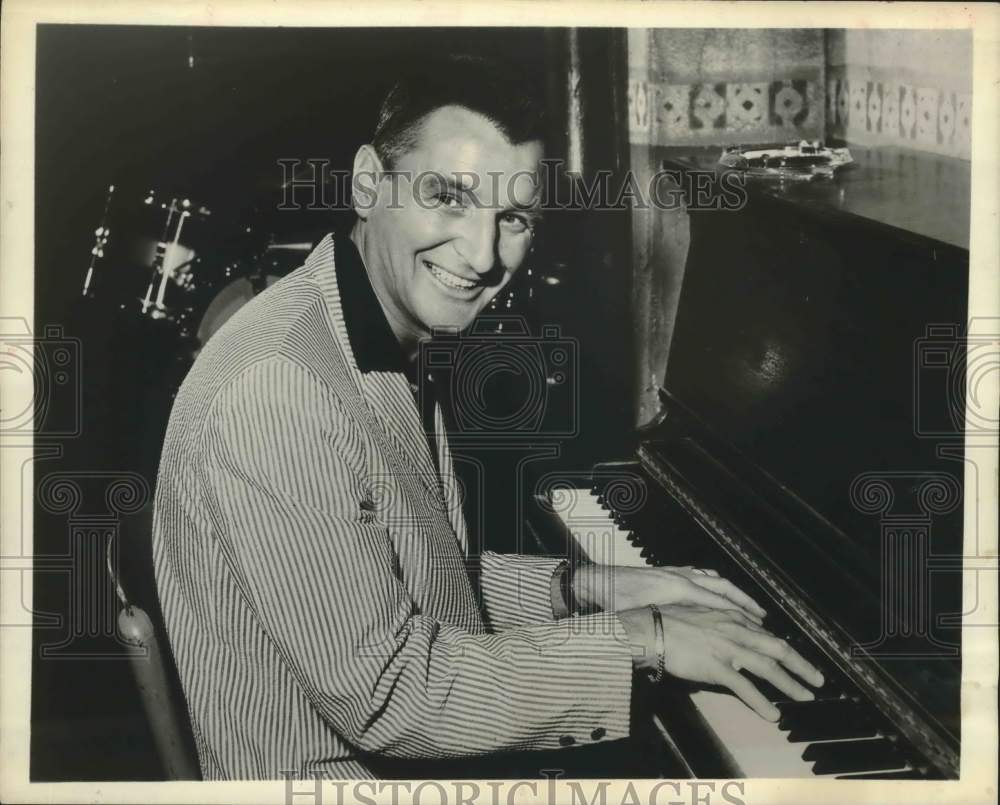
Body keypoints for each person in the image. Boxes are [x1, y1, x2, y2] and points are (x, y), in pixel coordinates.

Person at [152, 54, 824, 781]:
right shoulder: (277, 384)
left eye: (512, 219)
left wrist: (588, 587)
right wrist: (643, 639)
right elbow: (389, 692)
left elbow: (417, 580)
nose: (479, 256)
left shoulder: (370, 324)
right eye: (448, 197)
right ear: (369, 182)